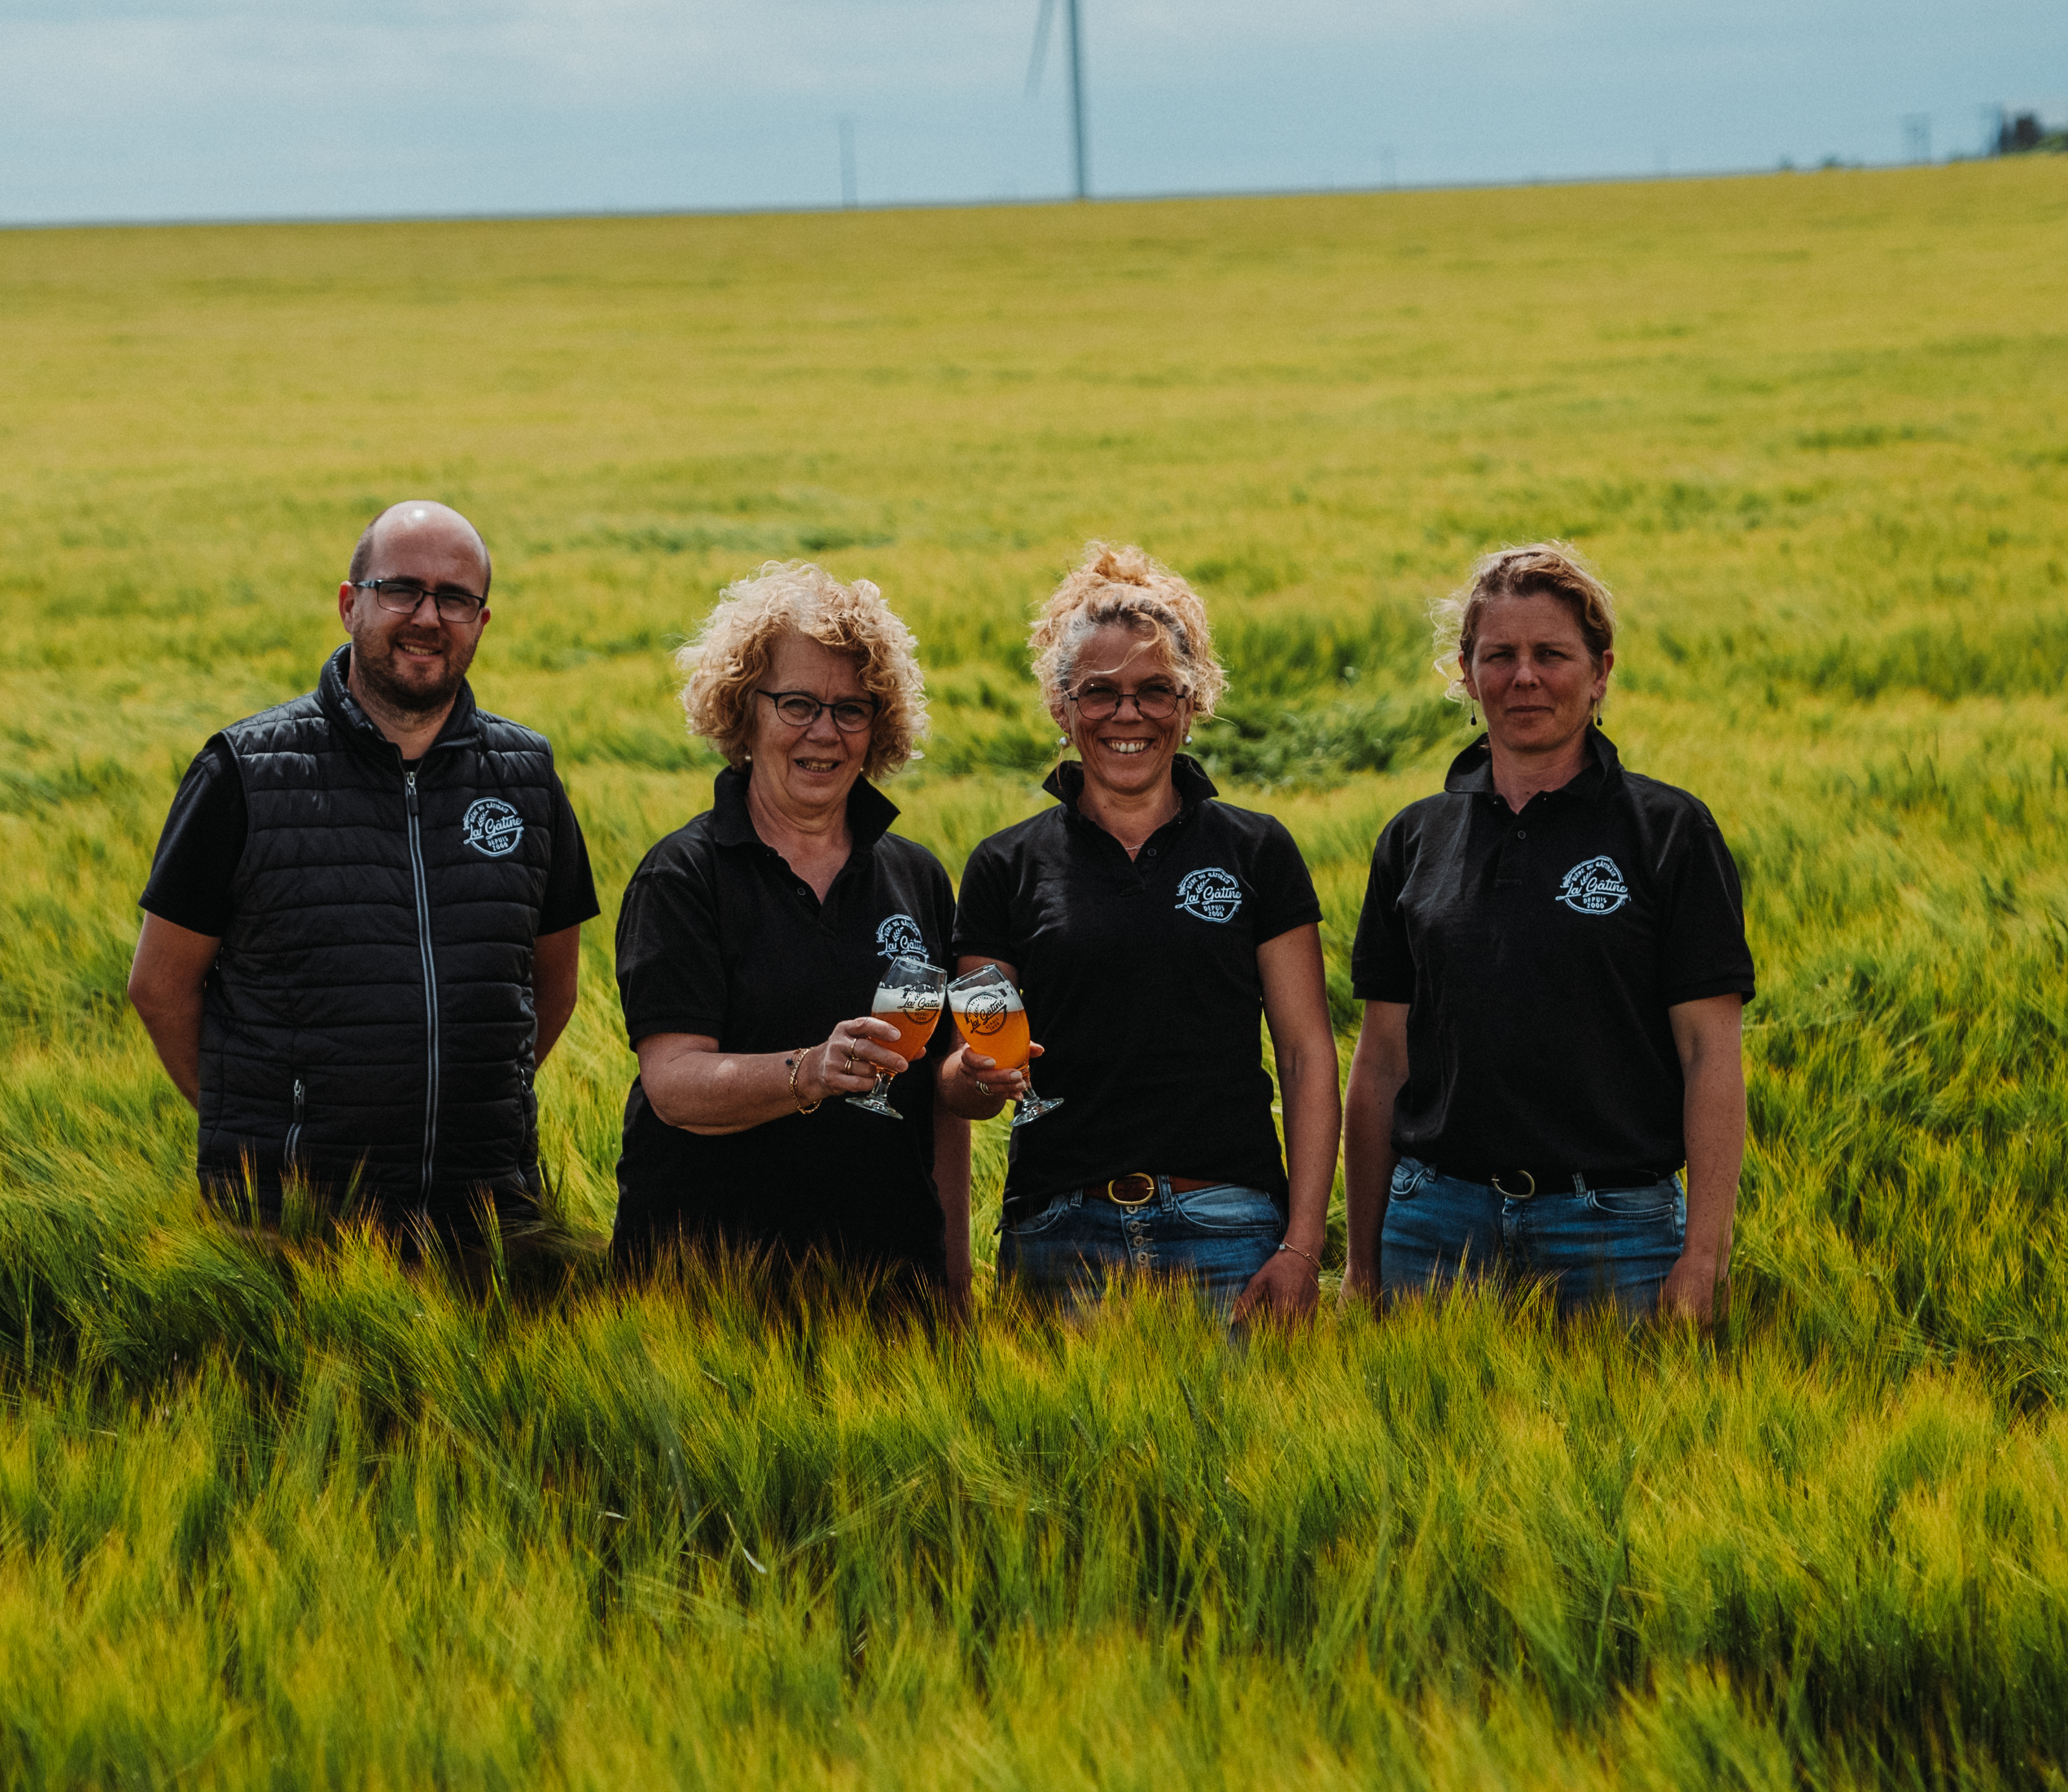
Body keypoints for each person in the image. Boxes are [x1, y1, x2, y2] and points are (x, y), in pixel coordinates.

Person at [124, 500, 600, 1256]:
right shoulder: (244, 773)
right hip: (290, 1230)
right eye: (402, 589)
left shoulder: (527, 776)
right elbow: (159, 985)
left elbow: (555, 985)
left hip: (487, 1219)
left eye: (455, 598)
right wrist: (263, 1127)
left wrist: (468, 1104)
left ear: (482, 621)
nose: (428, 616)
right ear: (351, 605)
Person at [1343, 541, 1752, 1321]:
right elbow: (1382, 1062)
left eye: (1551, 654)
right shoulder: (1413, 840)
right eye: (1499, 655)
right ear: (1466, 675)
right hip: (1436, 1227)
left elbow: (1710, 1054)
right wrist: (1363, 1262)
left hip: (1614, 1230)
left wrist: (1704, 1254)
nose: (1523, 676)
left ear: (1600, 673)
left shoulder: (1669, 833)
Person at [945, 544, 1335, 1320]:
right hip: (1059, 1233)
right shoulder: (1004, 865)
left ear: (1191, 705)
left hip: (1229, 1228)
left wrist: (1301, 1247)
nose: (1129, 715)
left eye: (1156, 691)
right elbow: (967, 1077)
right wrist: (976, 1077)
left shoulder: (1256, 850)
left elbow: (1305, 1051)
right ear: (1062, 707)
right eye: (1100, 693)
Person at [609, 561, 972, 1307]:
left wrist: (954, 1279)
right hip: (708, 1295)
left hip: (886, 1293)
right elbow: (673, 1084)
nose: (825, 733)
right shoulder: (683, 877)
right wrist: (810, 1070)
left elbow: (935, 1110)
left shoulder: (917, 877)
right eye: (798, 703)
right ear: (744, 711)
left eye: (852, 709)